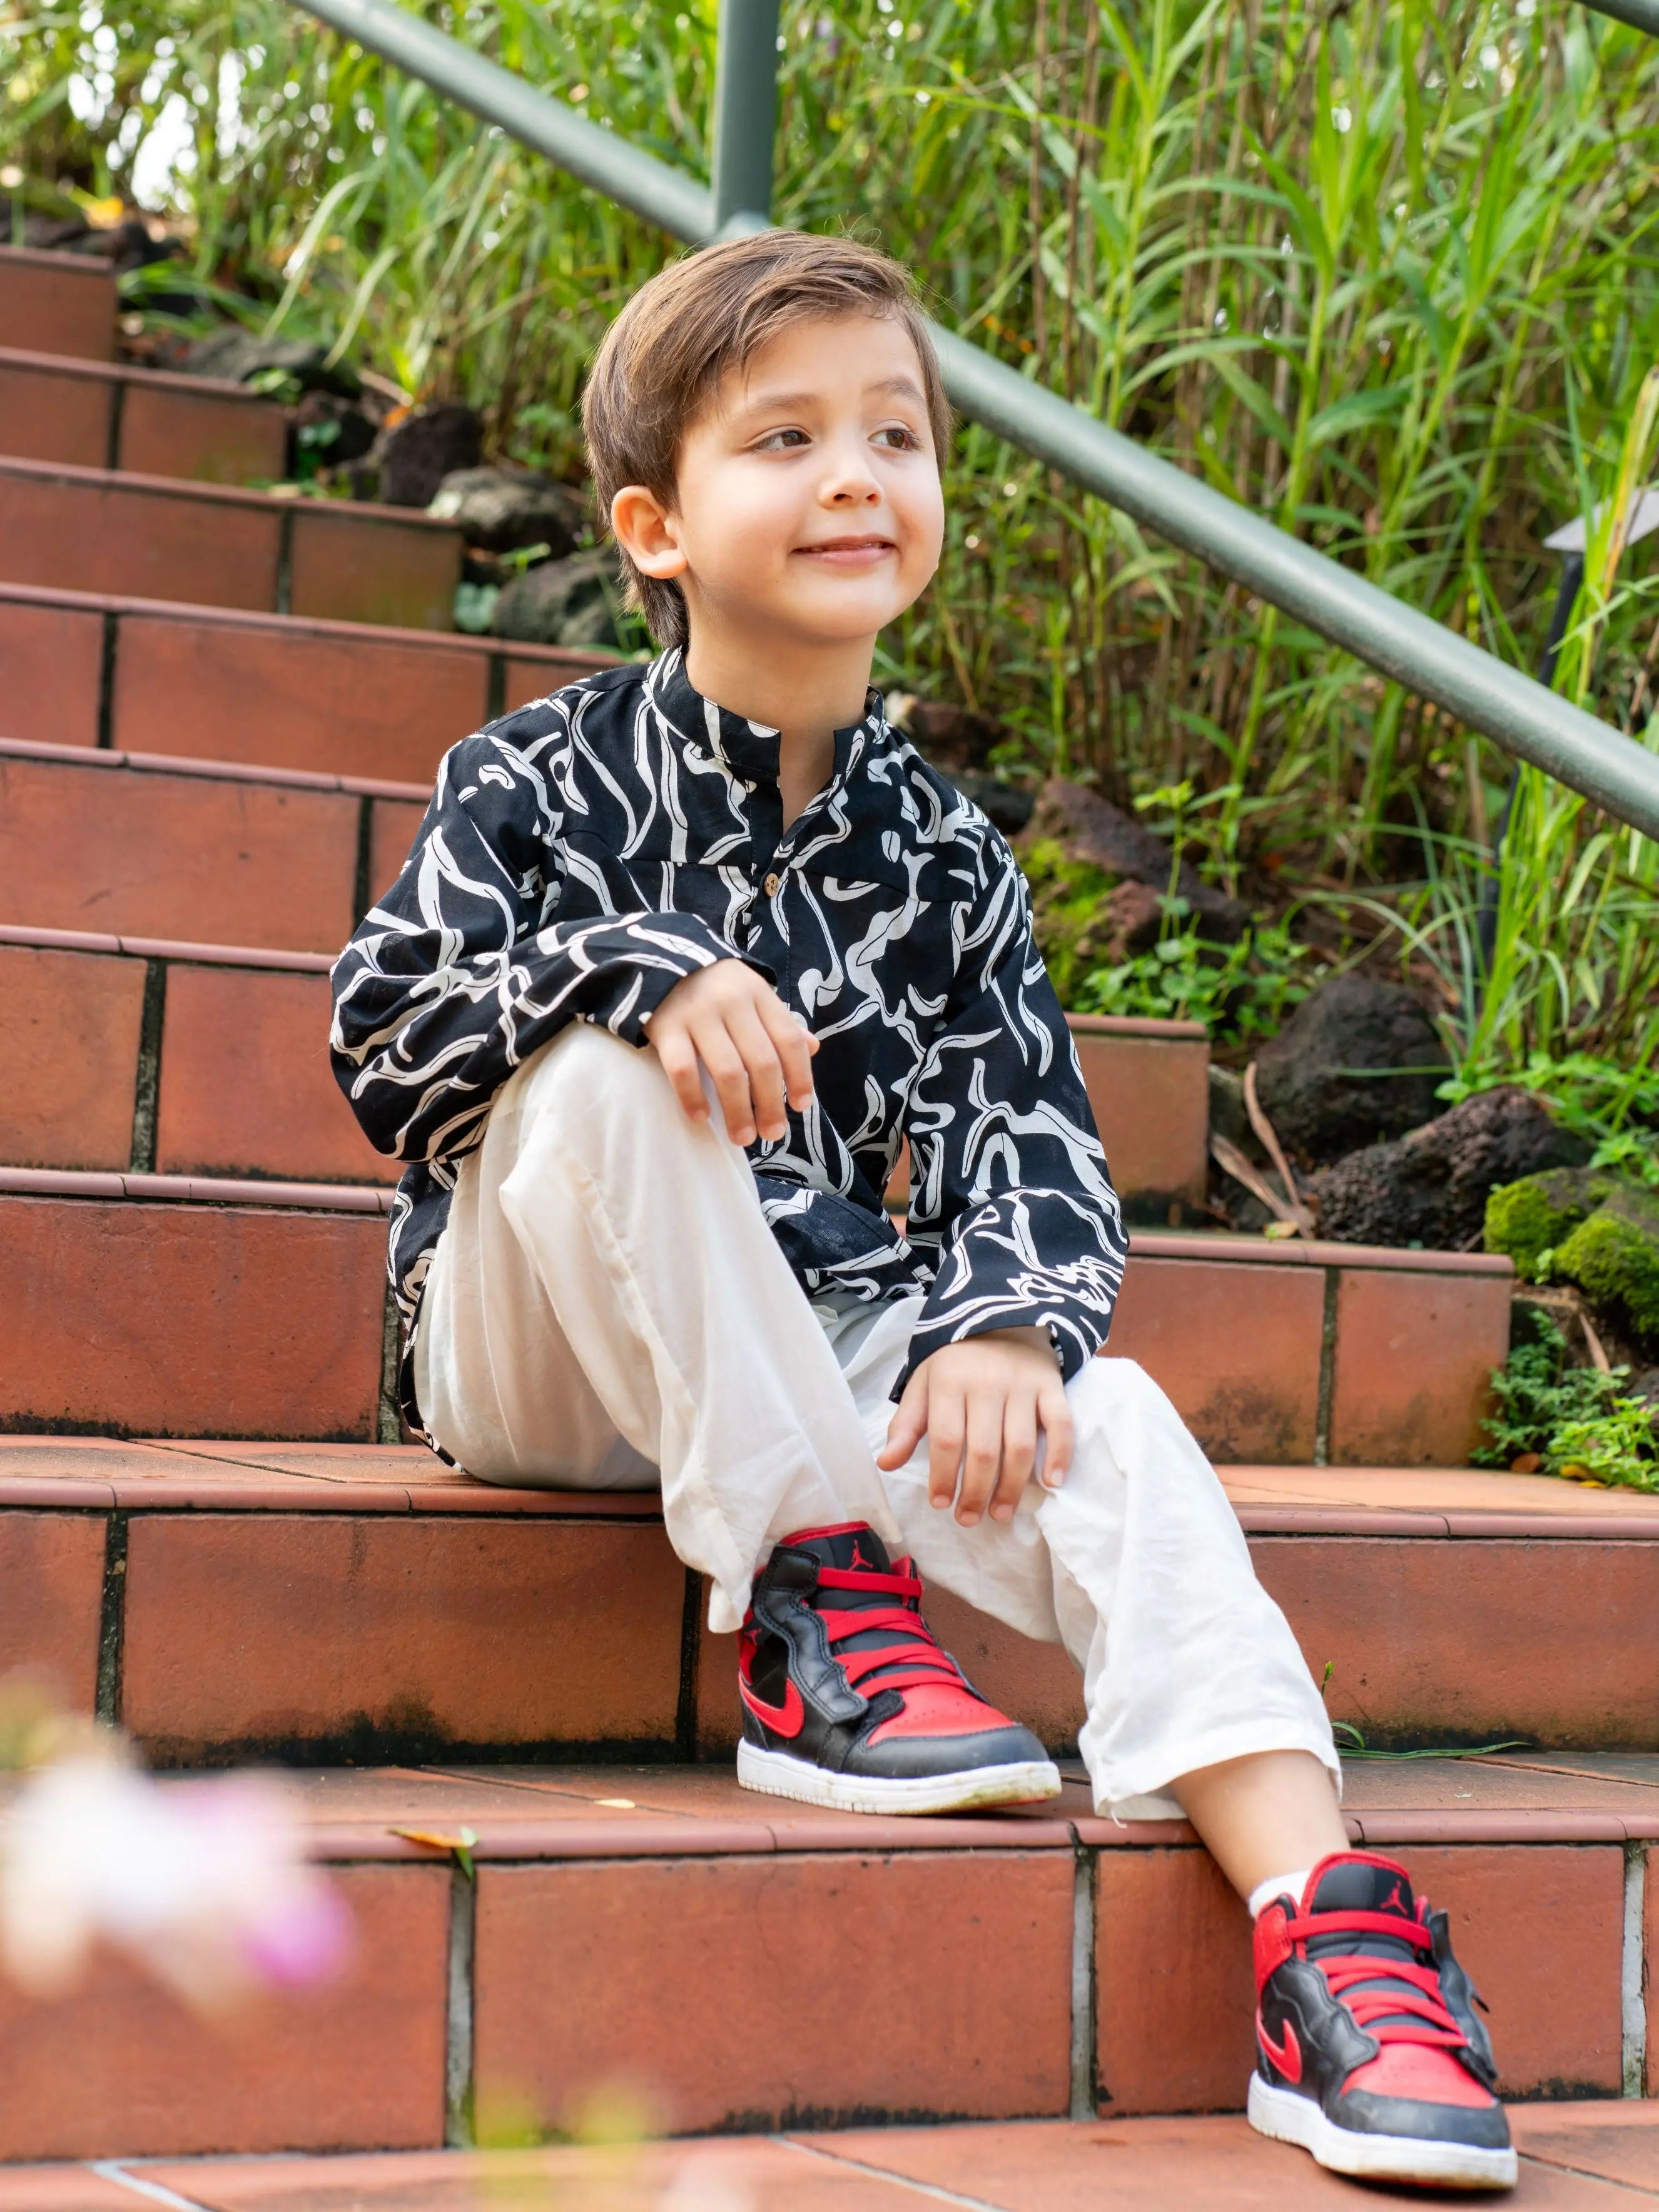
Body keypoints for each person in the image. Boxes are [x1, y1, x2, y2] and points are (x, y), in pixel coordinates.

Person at [329, 229, 1514, 2192]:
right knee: (605, 1072)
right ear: (654, 526)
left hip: (808, 1342)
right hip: (530, 1347)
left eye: (893, 432)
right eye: (782, 438)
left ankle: (1323, 1931)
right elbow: (384, 1039)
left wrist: (994, 1329)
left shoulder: (945, 854)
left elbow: (1030, 1141)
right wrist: (630, 964)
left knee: (1107, 1413)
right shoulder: (538, 775)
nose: (856, 473)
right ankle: (808, 1597)